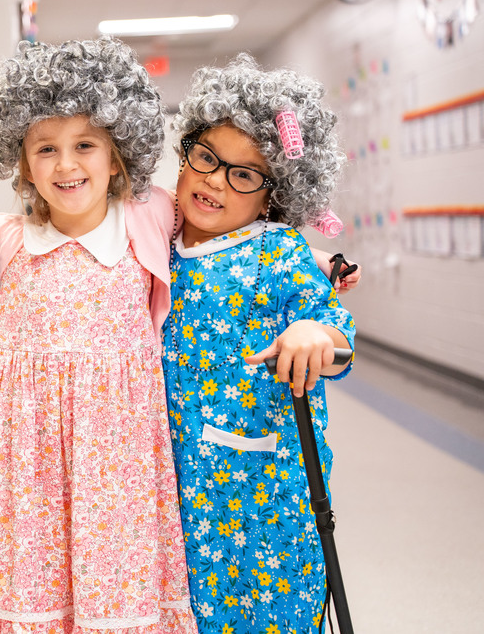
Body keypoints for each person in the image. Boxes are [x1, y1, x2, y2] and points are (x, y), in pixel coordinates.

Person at [0, 38, 197, 633]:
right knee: (23, 579)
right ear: (22, 163)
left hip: (113, 454)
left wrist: (322, 264)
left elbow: (231, 229)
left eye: (85, 145)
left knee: (111, 580)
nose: (66, 165)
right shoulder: (2, 236)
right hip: (20, 456)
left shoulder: (149, 217)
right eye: (45, 149)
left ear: (118, 156)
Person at [162, 54, 356, 634]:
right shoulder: (155, 244)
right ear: (187, 150)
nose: (216, 180)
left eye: (244, 174)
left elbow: (337, 336)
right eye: (206, 158)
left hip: (261, 501)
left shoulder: (279, 253)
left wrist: (314, 332)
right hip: (167, 489)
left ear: (270, 195)